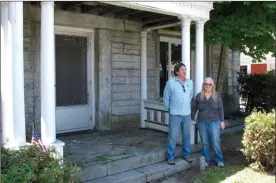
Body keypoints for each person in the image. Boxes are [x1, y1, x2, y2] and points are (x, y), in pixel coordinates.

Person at [163, 63, 193, 165]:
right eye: (182, 70)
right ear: (177, 72)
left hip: (187, 113)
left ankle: (186, 154)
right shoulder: (170, 83)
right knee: (173, 136)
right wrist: (170, 109)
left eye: (185, 69)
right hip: (175, 114)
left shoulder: (190, 82)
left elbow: (190, 96)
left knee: (187, 135)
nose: (185, 71)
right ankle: (170, 156)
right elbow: (166, 98)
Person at [192, 77, 225, 167]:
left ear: (212, 85)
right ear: (203, 85)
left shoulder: (217, 95)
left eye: (210, 84)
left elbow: (221, 109)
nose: (208, 86)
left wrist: (222, 121)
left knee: (215, 141)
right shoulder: (199, 96)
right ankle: (207, 160)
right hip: (202, 122)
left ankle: (219, 160)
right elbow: (194, 108)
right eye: (206, 84)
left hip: (215, 122)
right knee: (205, 142)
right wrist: (191, 118)